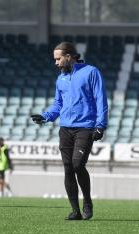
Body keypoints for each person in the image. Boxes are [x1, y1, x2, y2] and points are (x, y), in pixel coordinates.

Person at [31, 42, 108, 220]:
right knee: (67, 168)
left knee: (77, 165)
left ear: (69, 56)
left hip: (85, 127)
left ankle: (87, 201)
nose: (56, 62)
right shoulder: (61, 79)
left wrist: (100, 125)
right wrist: (46, 116)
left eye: (58, 59)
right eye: (54, 59)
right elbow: (58, 104)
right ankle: (75, 211)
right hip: (65, 128)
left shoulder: (91, 72)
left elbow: (100, 99)